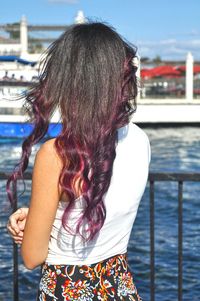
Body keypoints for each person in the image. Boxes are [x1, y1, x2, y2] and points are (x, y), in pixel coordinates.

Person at [7, 22, 150, 301]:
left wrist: (34, 226)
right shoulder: (139, 139)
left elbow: (33, 256)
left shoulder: (56, 154)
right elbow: (102, 200)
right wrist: (43, 213)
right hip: (119, 286)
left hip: (68, 290)